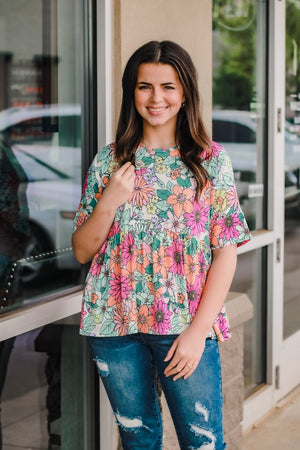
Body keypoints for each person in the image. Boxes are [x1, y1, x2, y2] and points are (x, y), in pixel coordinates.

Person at [72, 40, 251, 450]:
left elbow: (226, 251)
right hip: (114, 325)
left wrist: (197, 332)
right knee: (138, 442)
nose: (156, 98)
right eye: (144, 86)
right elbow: (83, 250)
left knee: (202, 443)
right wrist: (109, 201)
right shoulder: (109, 161)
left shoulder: (210, 161)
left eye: (168, 87)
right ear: (130, 92)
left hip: (184, 326)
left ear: (185, 91)